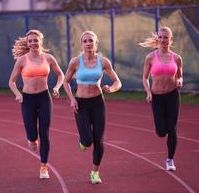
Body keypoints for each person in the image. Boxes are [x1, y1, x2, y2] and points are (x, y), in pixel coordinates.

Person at [63, 30, 122, 184]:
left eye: (91, 41)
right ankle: (83, 141)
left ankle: (95, 172)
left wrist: (112, 88)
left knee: (98, 140)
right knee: (87, 141)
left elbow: (118, 81)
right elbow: (65, 81)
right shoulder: (75, 62)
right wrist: (71, 99)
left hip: (97, 103)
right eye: (85, 41)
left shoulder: (103, 61)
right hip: (81, 103)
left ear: (96, 44)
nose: (88, 43)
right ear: (81, 44)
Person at [8, 29, 64, 179]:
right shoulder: (22, 60)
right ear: (27, 43)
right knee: (32, 135)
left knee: (44, 133)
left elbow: (60, 74)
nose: (33, 43)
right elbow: (11, 81)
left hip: (44, 98)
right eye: (30, 41)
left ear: (41, 41)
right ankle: (32, 139)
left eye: (35, 40)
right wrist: (18, 94)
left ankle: (43, 167)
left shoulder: (49, 58)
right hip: (27, 99)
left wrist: (57, 87)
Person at [139, 26, 183, 171]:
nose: (163, 40)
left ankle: (170, 160)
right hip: (156, 97)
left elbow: (180, 75)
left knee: (172, 128)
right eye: (161, 37)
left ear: (171, 40)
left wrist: (180, 81)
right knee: (161, 132)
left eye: (166, 37)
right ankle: (159, 125)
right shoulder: (150, 57)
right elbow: (145, 78)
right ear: (158, 39)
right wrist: (148, 93)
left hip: (172, 95)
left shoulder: (177, 58)